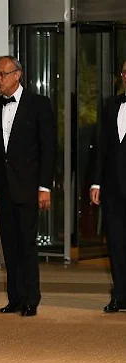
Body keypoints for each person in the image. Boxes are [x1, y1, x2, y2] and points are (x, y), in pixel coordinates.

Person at [0, 56, 57, 317]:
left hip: (28, 186)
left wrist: (44, 187)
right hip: (3, 188)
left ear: (18, 74)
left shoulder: (39, 105)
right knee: (9, 245)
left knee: (27, 245)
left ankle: (30, 298)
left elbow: (49, 149)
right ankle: (14, 297)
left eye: (2, 74)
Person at [90, 61, 126, 313]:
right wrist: (96, 182)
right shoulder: (111, 105)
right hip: (113, 188)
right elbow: (100, 146)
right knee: (115, 244)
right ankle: (120, 296)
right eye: (125, 71)